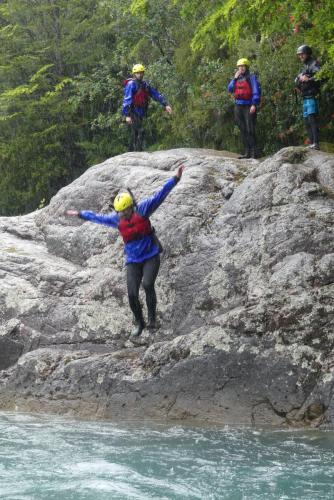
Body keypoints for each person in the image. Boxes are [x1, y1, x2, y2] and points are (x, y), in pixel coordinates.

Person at [65, 165, 184, 338]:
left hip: (151, 255)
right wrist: (79, 214)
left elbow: (160, 196)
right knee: (131, 294)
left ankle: (152, 319)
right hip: (133, 260)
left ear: (130, 208)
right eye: (118, 212)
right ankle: (140, 322)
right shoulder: (116, 219)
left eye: (122, 211)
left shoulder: (143, 210)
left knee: (148, 284)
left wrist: (175, 178)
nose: (119, 214)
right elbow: (97, 217)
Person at [122, 64, 172, 152]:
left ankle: (132, 152)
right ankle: (137, 152)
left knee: (136, 132)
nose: (140, 75)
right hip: (132, 111)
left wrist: (165, 104)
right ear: (134, 74)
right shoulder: (131, 84)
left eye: (141, 73)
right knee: (140, 131)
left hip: (141, 112)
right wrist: (127, 115)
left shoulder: (145, 84)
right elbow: (127, 100)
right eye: (137, 73)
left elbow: (155, 94)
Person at [228, 58, 261, 159]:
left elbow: (256, 91)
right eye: (239, 67)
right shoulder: (236, 78)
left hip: (248, 106)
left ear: (246, 67)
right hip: (238, 106)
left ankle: (254, 152)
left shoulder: (251, 77)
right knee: (242, 129)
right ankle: (247, 152)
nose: (241, 68)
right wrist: (234, 78)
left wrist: (254, 104)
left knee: (250, 129)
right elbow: (230, 89)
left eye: (243, 66)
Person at [295, 45, 321, 150]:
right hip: (305, 97)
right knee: (306, 121)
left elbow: (320, 75)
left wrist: (308, 79)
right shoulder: (305, 66)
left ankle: (316, 143)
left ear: (307, 54)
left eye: (302, 54)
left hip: (312, 96)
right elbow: (297, 78)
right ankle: (311, 142)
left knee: (312, 119)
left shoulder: (313, 64)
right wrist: (299, 79)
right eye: (299, 55)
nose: (300, 56)